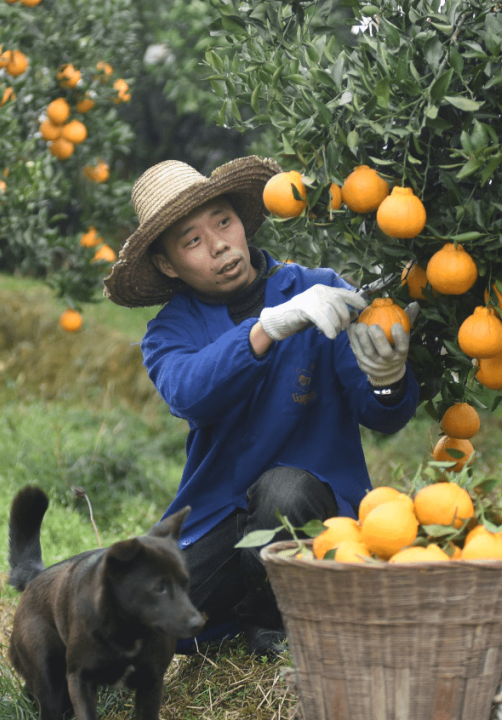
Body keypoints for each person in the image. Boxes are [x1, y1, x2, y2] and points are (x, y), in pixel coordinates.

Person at [103, 156, 419, 656]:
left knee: (284, 491)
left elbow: (382, 414)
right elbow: (190, 394)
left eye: (223, 222)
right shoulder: (171, 330)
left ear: (241, 222)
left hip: (314, 509)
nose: (219, 245)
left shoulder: (319, 290)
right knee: (132, 615)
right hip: (221, 514)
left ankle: (272, 625)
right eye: (192, 241)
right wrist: (269, 327)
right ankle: (249, 602)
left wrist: (387, 380)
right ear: (168, 264)